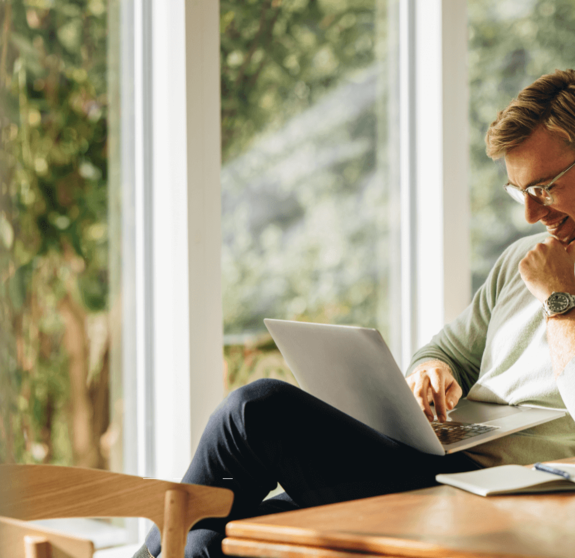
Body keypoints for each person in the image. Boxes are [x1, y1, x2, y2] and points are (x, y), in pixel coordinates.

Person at [134, 69, 575, 558]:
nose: (533, 215)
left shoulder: (548, 276)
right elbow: (445, 349)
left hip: (510, 496)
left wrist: (559, 300)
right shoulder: (521, 260)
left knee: (256, 411)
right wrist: (432, 370)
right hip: (436, 467)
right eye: (521, 193)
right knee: (209, 540)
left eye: (547, 188)